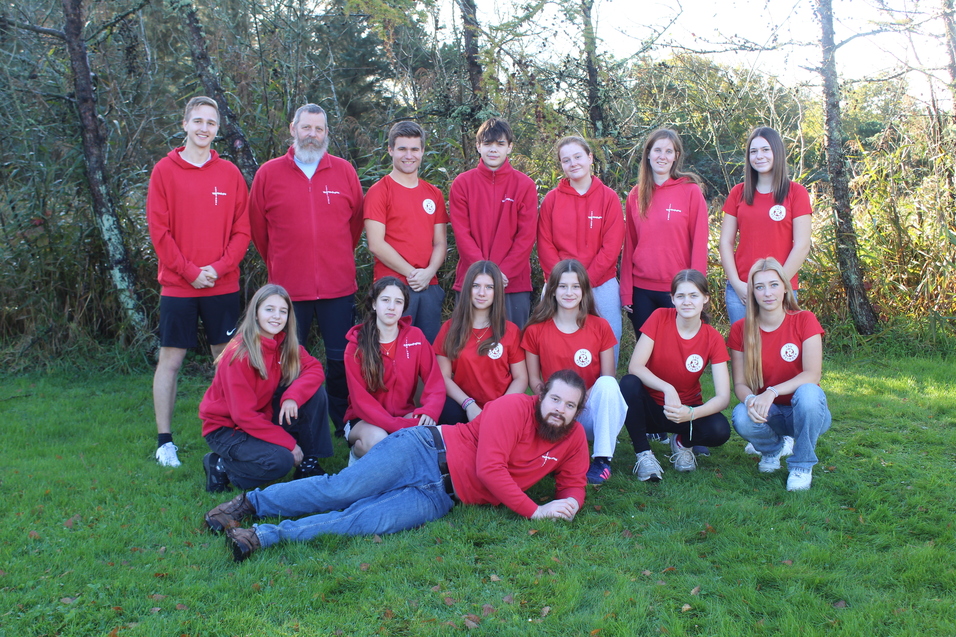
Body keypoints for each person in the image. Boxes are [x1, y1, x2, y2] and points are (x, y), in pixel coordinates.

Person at [205, 370, 591, 562]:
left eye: (570, 406)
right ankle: (248, 504)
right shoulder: (512, 408)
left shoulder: (572, 439)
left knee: (356, 521)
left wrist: (570, 503)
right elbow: (491, 471)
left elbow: (574, 483)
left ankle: (262, 537)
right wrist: (536, 510)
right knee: (341, 489)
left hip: (439, 497)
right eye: (556, 400)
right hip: (423, 450)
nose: (560, 410)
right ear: (542, 394)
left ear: (577, 411)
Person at [248, 103, 364, 439]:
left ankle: (345, 424)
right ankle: (282, 424)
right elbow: (259, 232)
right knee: (283, 361)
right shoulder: (269, 174)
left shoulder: (344, 172)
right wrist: (286, 261)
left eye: (319, 129)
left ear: (327, 133)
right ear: (293, 129)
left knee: (340, 360)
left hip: (337, 287)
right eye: (306, 128)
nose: (312, 135)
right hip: (286, 293)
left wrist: (331, 255)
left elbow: (353, 226)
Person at [146, 95, 250, 468]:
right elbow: (159, 231)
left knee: (225, 362)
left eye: (211, 123)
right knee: (170, 361)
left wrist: (218, 269)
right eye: (198, 121)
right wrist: (191, 271)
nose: (205, 128)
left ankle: (228, 435)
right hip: (178, 284)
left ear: (217, 130)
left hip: (222, 284)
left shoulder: (230, 175)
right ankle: (164, 441)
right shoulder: (164, 171)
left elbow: (243, 231)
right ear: (185, 123)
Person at [200, 284, 331, 493]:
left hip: (260, 416)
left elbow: (314, 368)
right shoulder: (239, 354)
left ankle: (308, 464)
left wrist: (292, 397)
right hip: (226, 428)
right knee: (280, 461)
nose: (276, 317)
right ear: (256, 314)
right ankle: (220, 465)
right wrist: (290, 444)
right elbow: (243, 415)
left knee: (314, 393)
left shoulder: (282, 343)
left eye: (283, 311)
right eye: (269, 309)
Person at [727, 258, 831, 491]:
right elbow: (740, 384)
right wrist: (752, 400)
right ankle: (772, 450)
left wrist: (771, 392)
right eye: (760, 287)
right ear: (752, 292)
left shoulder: (804, 320)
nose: (768, 293)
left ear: (785, 287)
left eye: (774, 285)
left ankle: (801, 465)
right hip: (768, 414)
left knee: (809, 393)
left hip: (805, 412)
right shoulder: (740, 329)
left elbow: (812, 374)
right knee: (741, 414)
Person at [521, 259, 626, 485]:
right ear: (552, 290)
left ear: (584, 291)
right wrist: (559, 403)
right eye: (563, 286)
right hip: (554, 410)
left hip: (587, 411)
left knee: (609, 386)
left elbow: (607, 379)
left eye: (576, 286)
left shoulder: (600, 327)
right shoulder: (535, 330)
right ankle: (552, 453)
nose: (569, 292)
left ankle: (602, 460)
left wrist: (579, 401)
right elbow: (534, 381)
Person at [620, 270, 731, 481]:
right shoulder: (660, 317)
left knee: (720, 430)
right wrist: (667, 388)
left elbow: (723, 397)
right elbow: (635, 366)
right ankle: (644, 455)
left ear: (705, 299)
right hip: (651, 409)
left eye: (694, 295)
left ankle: (682, 443)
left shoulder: (713, 338)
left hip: (685, 411)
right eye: (680, 296)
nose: (687, 301)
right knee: (629, 383)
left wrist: (690, 414)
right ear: (672, 299)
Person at [538, 136, 625, 365]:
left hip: (601, 282)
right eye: (566, 160)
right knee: (554, 341)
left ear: (589, 158)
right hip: (558, 284)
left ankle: (605, 389)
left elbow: (611, 247)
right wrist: (564, 283)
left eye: (578, 157)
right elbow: (545, 244)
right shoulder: (551, 200)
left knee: (608, 338)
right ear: (562, 165)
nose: (573, 163)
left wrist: (584, 282)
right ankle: (556, 393)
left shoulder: (609, 198)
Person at [449, 117, 538, 327]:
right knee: (466, 349)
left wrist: (502, 274)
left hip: (513, 283)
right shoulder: (462, 184)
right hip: (471, 282)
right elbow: (462, 234)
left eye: (500, 144)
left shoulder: (524, 185)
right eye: (488, 143)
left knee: (512, 350)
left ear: (509, 148)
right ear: (478, 146)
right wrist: (483, 276)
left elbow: (526, 237)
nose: (493, 149)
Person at [719, 127, 812, 326]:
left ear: (777, 152)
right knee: (743, 352)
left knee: (776, 352)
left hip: (782, 290)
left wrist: (778, 285)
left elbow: (802, 245)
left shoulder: (796, 193)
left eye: (765, 150)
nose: (759, 156)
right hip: (742, 289)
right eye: (753, 151)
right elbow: (725, 242)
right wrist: (736, 284)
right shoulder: (738, 193)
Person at [343, 277, 445, 460]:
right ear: (374, 304)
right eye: (385, 300)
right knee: (378, 439)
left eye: (398, 302)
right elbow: (361, 401)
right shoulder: (356, 345)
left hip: (403, 413)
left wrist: (429, 410)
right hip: (365, 420)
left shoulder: (415, 337)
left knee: (426, 437)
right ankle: (357, 458)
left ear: (404, 307)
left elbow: (434, 381)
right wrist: (395, 425)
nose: (391, 307)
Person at [364, 121, 447, 343]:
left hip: (429, 285)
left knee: (428, 351)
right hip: (392, 287)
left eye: (414, 149)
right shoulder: (379, 192)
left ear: (422, 151)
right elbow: (376, 244)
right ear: (390, 150)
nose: (408, 155)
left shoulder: (434, 194)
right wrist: (413, 274)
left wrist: (428, 273)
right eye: (401, 149)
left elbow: (440, 243)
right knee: (392, 351)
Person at [620, 128, 709, 336]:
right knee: (646, 356)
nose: (662, 156)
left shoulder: (690, 191)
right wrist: (626, 292)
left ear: (676, 156)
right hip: (642, 291)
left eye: (669, 151)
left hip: (679, 289)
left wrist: (697, 290)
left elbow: (699, 243)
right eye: (657, 150)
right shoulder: (635, 195)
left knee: (674, 353)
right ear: (648, 153)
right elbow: (629, 245)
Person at [433, 261, 528, 424]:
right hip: (463, 404)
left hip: (500, 405)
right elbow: (443, 377)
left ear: (497, 292)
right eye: (476, 286)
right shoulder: (450, 328)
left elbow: (521, 378)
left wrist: (500, 407)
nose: (481, 293)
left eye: (489, 287)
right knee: (446, 409)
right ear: (467, 289)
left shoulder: (510, 331)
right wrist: (468, 404)